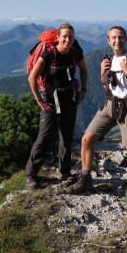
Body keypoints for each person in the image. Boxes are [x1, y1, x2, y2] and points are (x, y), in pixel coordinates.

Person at [67, 26, 127, 204]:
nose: (117, 41)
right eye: (113, 38)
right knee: (87, 139)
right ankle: (86, 178)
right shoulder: (110, 59)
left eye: (120, 37)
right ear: (108, 41)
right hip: (110, 104)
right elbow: (108, 87)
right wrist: (103, 73)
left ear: (125, 39)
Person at [24, 23, 88, 188]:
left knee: (66, 136)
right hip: (51, 100)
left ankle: (64, 172)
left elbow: (83, 70)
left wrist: (84, 89)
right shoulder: (48, 54)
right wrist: (40, 100)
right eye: (64, 36)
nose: (67, 40)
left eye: (71, 37)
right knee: (43, 137)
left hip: (70, 98)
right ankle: (30, 175)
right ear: (58, 38)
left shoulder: (76, 53)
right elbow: (32, 78)